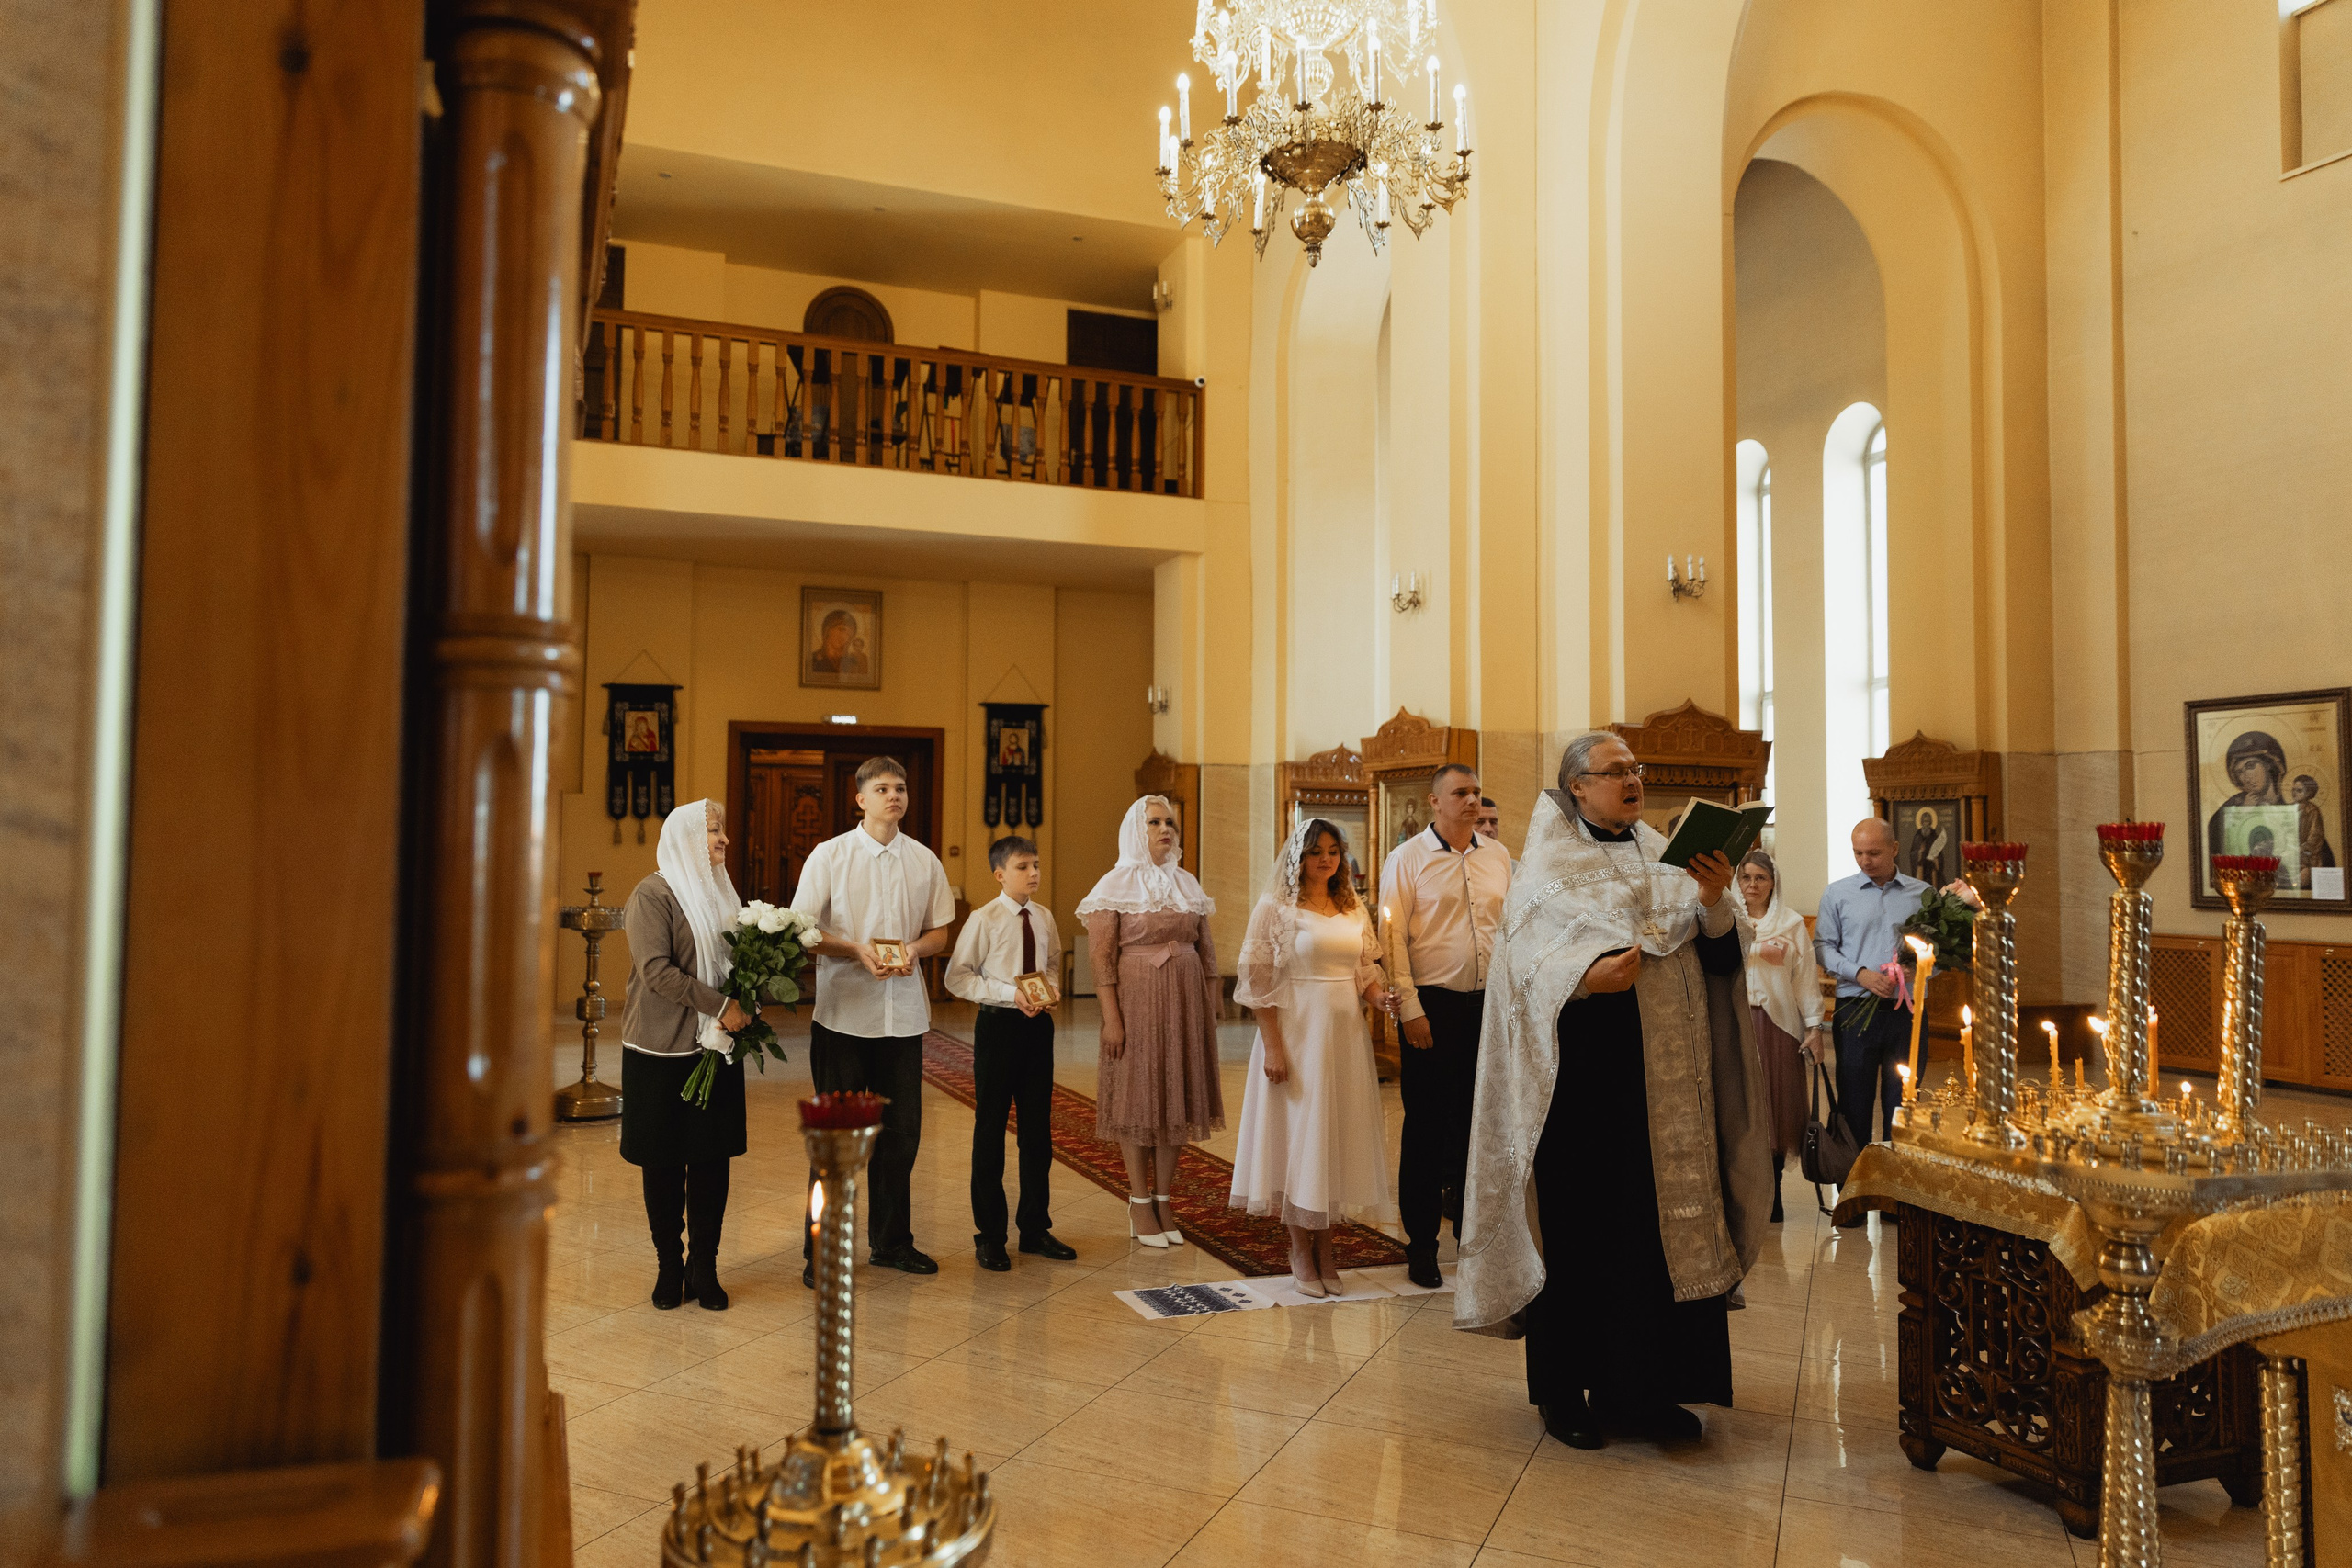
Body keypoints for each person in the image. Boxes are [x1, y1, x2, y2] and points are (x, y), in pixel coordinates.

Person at [1454, 733, 1769, 1450]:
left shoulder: (1666, 854)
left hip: (1668, 1098)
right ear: (1577, 787)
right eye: (1616, 771)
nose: (1632, 781)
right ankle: (1563, 1393)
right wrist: (1584, 980)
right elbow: (1522, 976)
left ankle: (1645, 1390)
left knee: (1651, 1242)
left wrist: (1715, 898)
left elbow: (1720, 953)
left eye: (1637, 770)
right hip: (1581, 1095)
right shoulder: (1542, 871)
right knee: (1580, 1235)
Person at [790, 756, 957, 1282]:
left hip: (902, 1019)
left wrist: (913, 948)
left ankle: (891, 1242)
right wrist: (855, 950)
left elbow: (940, 933)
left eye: (901, 788)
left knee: (900, 1136)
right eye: (882, 788)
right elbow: (803, 930)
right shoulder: (830, 855)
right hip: (842, 1016)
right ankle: (823, 1251)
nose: (895, 796)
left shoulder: (924, 860)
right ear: (860, 799)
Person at [1229, 819, 1395, 1296]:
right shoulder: (1274, 908)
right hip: (1297, 1032)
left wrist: (1382, 1000)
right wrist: (1275, 1047)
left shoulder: (1351, 905)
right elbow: (1258, 985)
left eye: (1333, 851)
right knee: (1297, 1137)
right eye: (1313, 852)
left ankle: (1328, 1249)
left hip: (1342, 1037)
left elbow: (1364, 973)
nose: (1325, 860)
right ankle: (1300, 1248)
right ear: (1296, 859)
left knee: (1333, 1137)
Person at [620, 797, 759, 1311]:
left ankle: (705, 1266)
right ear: (684, 840)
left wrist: (751, 994)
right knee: (662, 1161)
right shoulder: (652, 894)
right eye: (712, 832)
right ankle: (668, 1265)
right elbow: (657, 971)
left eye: (722, 831)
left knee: (709, 1160)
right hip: (660, 1049)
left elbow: (738, 963)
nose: (723, 840)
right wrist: (723, 1004)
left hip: (718, 1048)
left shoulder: (724, 895)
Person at [1380, 762, 1511, 1288]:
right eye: (1461, 793)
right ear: (1434, 802)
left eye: (1476, 792)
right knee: (1428, 1131)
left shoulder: (1499, 856)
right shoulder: (1407, 858)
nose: (1472, 801)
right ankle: (1421, 1245)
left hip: (1490, 1006)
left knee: (1480, 1129)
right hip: (1433, 1007)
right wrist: (1409, 1009)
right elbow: (1391, 939)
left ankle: (1474, 1242)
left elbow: (1515, 926)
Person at [1076, 795, 1224, 1248]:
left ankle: (1164, 1198)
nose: (1165, 829)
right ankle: (1139, 1200)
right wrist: (1112, 1020)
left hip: (1184, 999)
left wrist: (1211, 1004)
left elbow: (1207, 949)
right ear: (1134, 831)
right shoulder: (1113, 885)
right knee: (1140, 1099)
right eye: (1154, 822)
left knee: (1176, 1097)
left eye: (1170, 822)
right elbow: (1101, 961)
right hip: (1136, 999)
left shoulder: (1187, 883)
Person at [944, 834, 1078, 1271]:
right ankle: (990, 1235)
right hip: (999, 1027)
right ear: (1000, 874)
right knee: (991, 1130)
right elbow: (958, 978)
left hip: (1037, 1029)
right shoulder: (983, 919)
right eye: (1023, 866)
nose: (1034, 873)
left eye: (1036, 865)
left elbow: (1053, 962)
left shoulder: (1043, 916)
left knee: (1037, 1131)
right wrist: (1009, 993)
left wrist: (1051, 989)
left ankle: (1035, 1228)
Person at [1814, 818, 1930, 1194]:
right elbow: (1824, 947)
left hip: (1906, 1011)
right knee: (1855, 1102)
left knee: (1902, 1103)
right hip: (1855, 1011)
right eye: (1859, 853)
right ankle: (1856, 1192)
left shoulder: (1923, 894)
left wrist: (1920, 969)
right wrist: (1859, 973)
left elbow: (1941, 951)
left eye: (1874, 853)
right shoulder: (1838, 893)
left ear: (1895, 849)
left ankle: (1896, 1192)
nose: (1866, 860)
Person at [1734, 849, 1825, 1224]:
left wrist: (1815, 1025)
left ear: (1773, 884)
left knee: (1774, 1112)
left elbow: (1804, 978)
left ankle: (1775, 1197)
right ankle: (1741, 1196)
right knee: (1741, 1111)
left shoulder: (1789, 924)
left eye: (1760, 878)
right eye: (1746, 878)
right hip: (1736, 1022)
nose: (1752, 885)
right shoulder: (1727, 917)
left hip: (1777, 1026)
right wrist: (1755, 948)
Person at [2291, 773, 2336, 890]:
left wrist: (2303, 848)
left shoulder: (2312, 811)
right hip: (2290, 850)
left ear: (2308, 793)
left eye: (2299, 790)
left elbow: (2315, 835)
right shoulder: (2289, 809)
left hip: (2307, 854)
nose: (2294, 793)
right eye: (2293, 790)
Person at [809, 608, 869, 676]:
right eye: (841, 630)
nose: (845, 638)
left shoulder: (853, 662)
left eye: (849, 634)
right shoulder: (813, 660)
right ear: (828, 629)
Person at [1905, 806, 1950, 886]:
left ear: (1931, 822)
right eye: (1924, 822)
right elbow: (1912, 854)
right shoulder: (1917, 836)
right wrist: (1919, 853)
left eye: (1928, 822)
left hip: (1932, 870)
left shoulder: (1934, 836)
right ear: (1921, 822)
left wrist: (1937, 860)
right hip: (1921, 869)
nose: (1926, 824)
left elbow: (1940, 855)